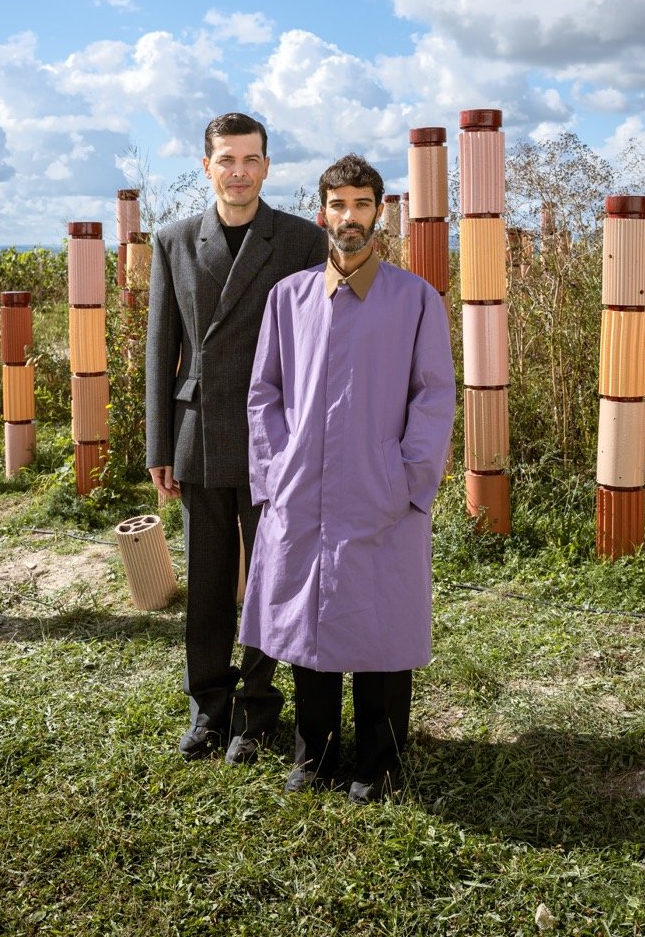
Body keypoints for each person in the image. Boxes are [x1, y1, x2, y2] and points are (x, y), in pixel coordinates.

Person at [240, 153, 456, 802]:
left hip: (381, 490)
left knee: (380, 623)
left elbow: (434, 397)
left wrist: (407, 480)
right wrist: (275, 473)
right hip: (301, 490)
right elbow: (264, 392)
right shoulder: (289, 298)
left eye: (362, 204)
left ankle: (379, 761)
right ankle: (315, 755)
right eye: (339, 205)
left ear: (380, 213)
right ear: (322, 214)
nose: (350, 216)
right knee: (309, 623)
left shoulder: (415, 300)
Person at [145, 112, 328, 764]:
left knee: (270, 581)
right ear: (207, 167)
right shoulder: (172, 240)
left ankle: (256, 711)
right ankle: (208, 708)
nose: (239, 172)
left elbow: (317, 350)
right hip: (199, 432)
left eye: (251, 160)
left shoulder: (303, 240)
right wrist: (159, 447)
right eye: (226, 159)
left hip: (274, 438)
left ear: (267, 167)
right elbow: (160, 348)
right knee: (207, 582)